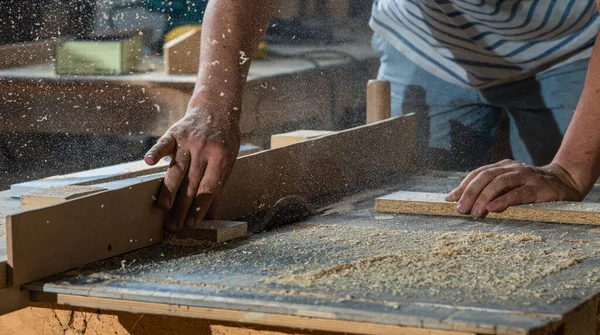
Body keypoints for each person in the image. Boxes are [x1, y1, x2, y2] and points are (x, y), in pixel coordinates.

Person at [144, 0, 600, 231]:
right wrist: (212, 105)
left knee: (561, 219)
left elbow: (569, 178)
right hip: (424, 43)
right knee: (411, 216)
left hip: (567, 48)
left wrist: (569, 170)